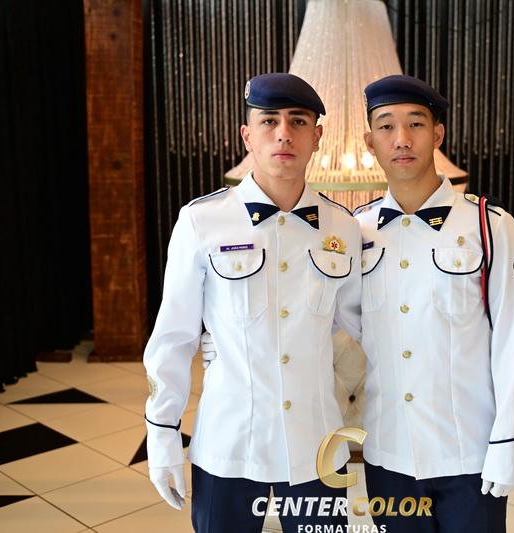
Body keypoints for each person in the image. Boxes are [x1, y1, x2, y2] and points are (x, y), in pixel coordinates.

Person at [143, 72, 362, 533]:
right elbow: (173, 339)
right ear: (247, 136)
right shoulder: (202, 221)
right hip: (229, 445)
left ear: (317, 136)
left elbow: (361, 331)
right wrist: (162, 438)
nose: (283, 133)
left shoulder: (343, 228)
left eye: (298, 121)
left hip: (316, 447)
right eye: (269, 121)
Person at [353, 74, 514, 532]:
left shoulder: (489, 225)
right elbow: (342, 321)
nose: (402, 139)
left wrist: (509, 444)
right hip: (389, 453)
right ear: (370, 142)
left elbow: (512, 342)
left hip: (468, 453)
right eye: (386, 126)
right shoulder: (357, 231)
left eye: (416, 124)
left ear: (437, 134)